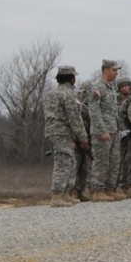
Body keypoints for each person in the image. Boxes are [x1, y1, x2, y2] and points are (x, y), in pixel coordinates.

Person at [43, 65, 90, 207]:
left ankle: (65, 194)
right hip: (61, 131)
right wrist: (83, 137)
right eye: (73, 77)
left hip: (57, 131)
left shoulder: (52, 93)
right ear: (70, 78)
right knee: (63, 162)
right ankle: (57, 195)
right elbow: (74, 118)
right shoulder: (67, 95)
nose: (75, 80)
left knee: (70, 161)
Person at [87, 59, 124, 202]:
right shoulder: (97, 87)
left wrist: (118, 129)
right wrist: (102, 130)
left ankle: (109, 189)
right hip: (102, 132)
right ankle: (98, 190)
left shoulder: (111, 87)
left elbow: (113, 111)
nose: (116, 73)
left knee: (114, 161)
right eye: (114, 70)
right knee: (101, 161)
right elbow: (94, 110)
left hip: (114, 130)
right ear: (106, 70)